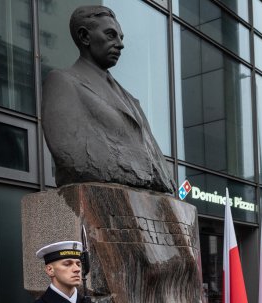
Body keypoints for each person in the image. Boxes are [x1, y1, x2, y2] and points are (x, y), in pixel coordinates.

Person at [42, 6, 176, 194]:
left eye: (121, 37)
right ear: (84, 37)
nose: (120, 44)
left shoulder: (130, 99)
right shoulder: (63, 82)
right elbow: (72, 156)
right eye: (111, 35)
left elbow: (157, 164)